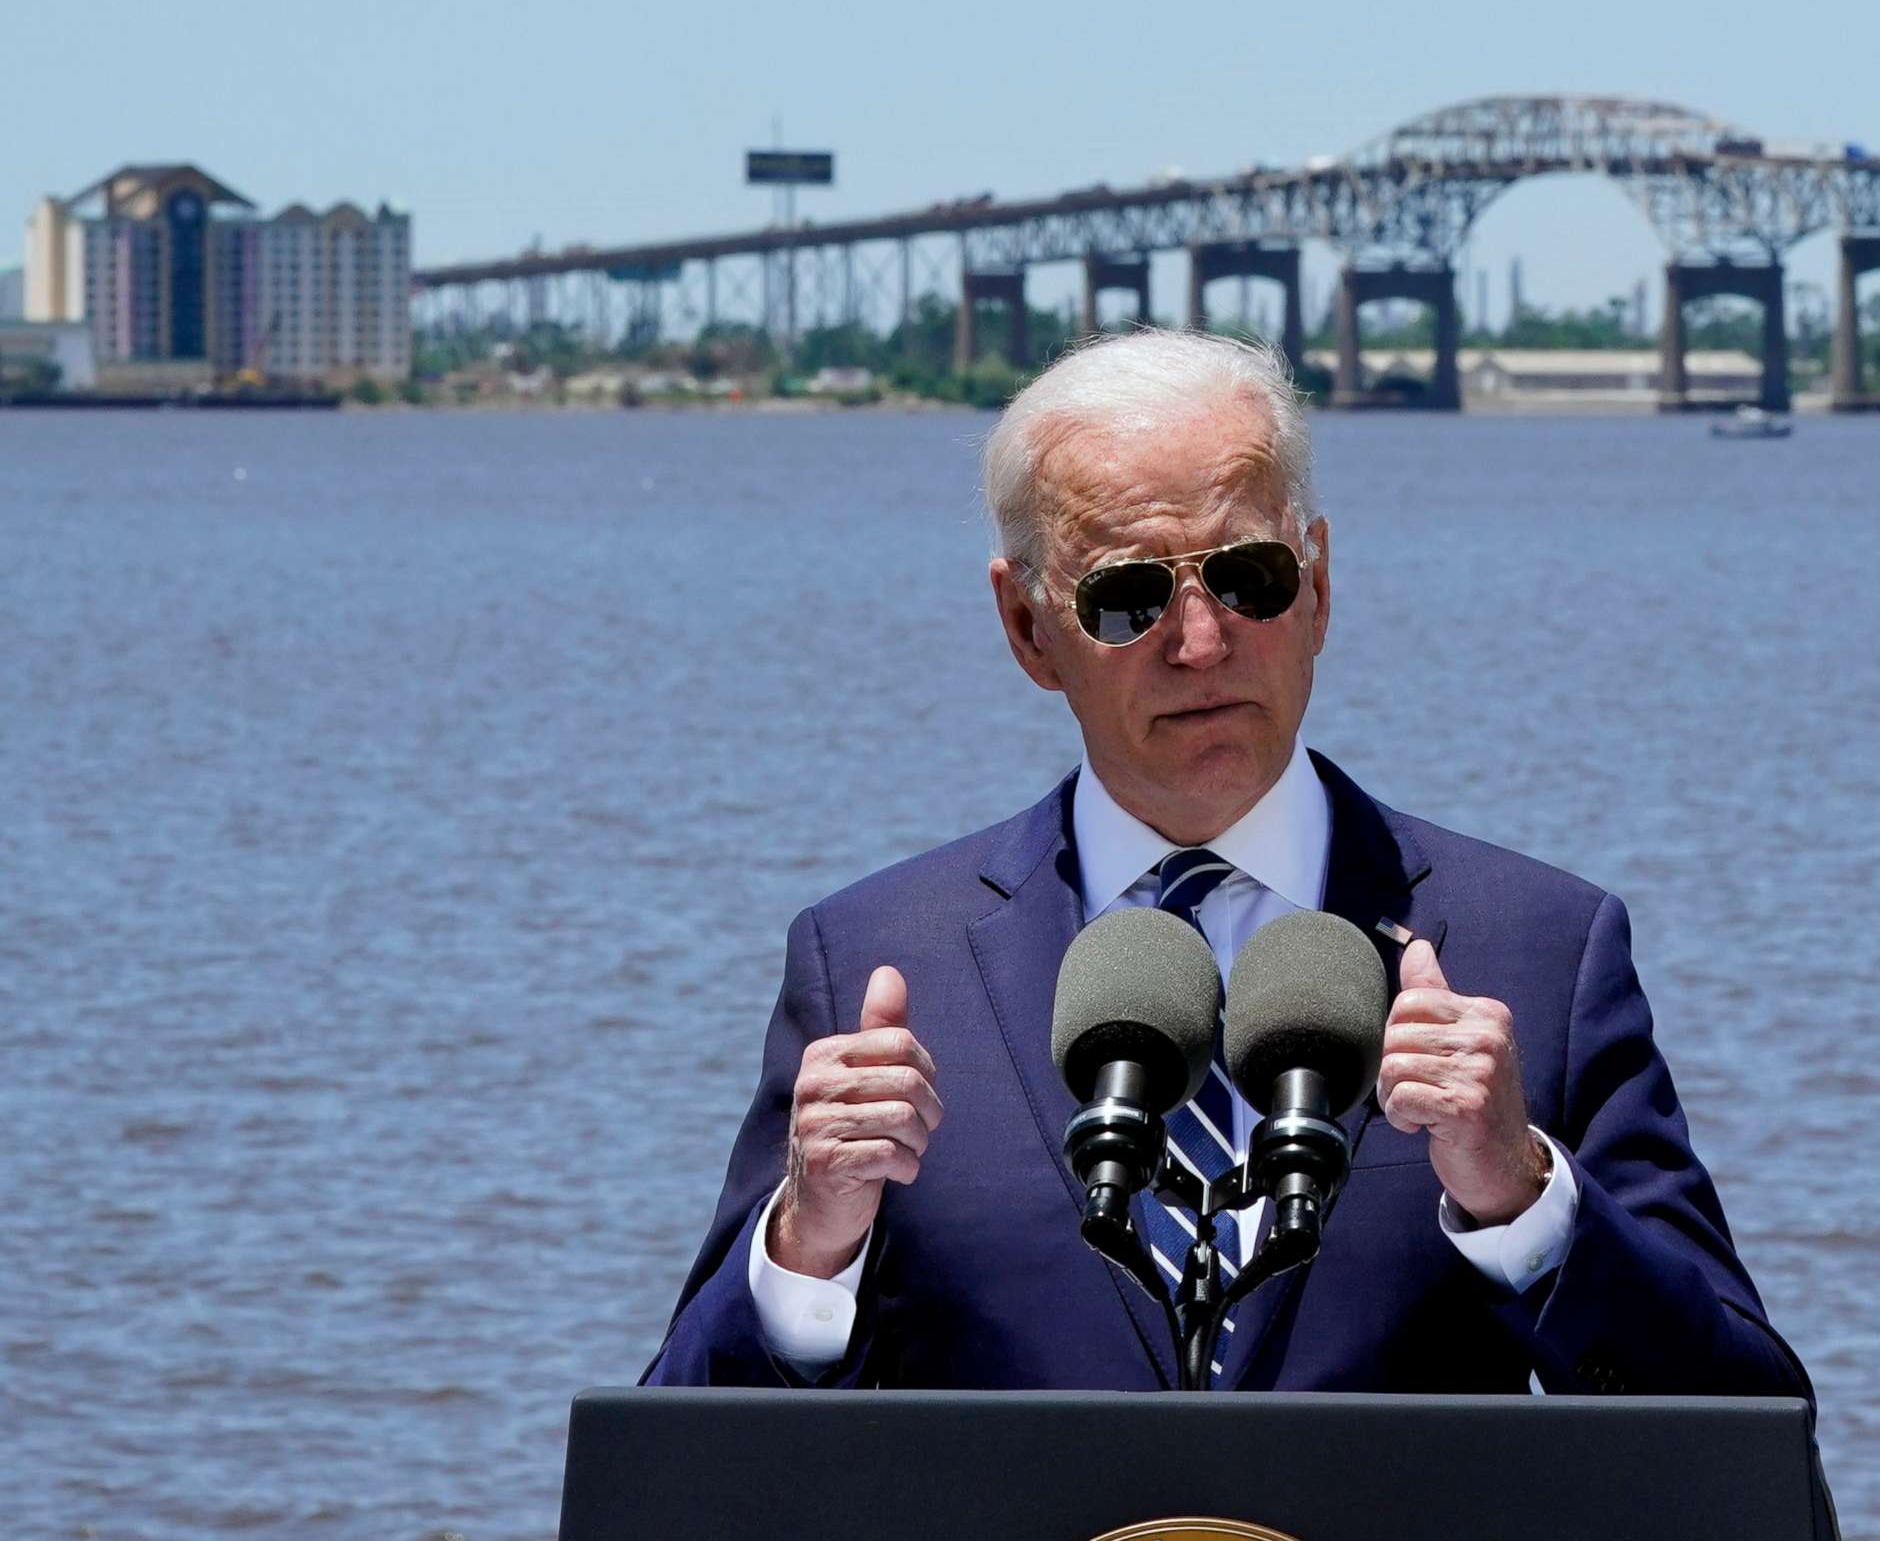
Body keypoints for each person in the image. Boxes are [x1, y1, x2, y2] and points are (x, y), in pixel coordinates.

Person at [645, 328, 1812, 1401]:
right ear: (1028, 629)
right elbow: (673, 1478)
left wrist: (1526, 1199)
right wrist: (808, 1251)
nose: (1201, 644)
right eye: (1127, 598)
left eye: (1249, 579)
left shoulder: (1539, 955)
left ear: (1318, 581)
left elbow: (1748, 1430)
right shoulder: (875, 971)